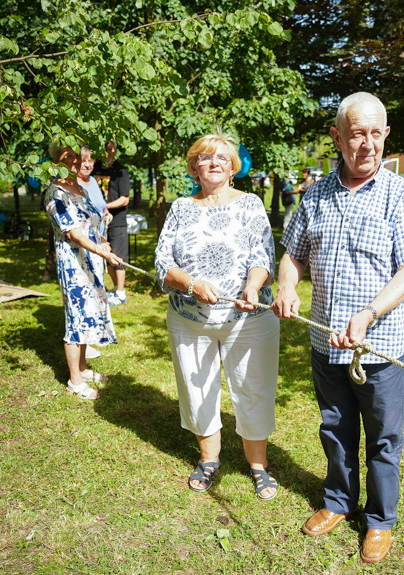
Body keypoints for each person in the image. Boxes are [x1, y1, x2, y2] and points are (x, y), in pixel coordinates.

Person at [272, 92, 404, 564]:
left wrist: (369, 314)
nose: (366, 144)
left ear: (386, 136)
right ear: (337, 137)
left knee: (383, 437)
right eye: (356, 133)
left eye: (375, 133)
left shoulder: (401, 195)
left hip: (379, 347)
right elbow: (293, 254)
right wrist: (286, 288)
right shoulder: (316, 194)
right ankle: (339, 503)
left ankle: (380, 520)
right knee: (335, 427)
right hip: (325, 341)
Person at [154, 132, 280, 501]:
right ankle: (209, 460)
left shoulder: (251, 203)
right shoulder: (180, 207)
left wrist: (253, 287)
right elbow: (163, 263)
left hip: (248, 320)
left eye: (222, 158)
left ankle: (259, 466)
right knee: (196, 391)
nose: (214, 163)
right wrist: (191, 283)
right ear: (194, 166)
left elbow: (263, 257)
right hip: (189, 320)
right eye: (206, 157)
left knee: (253, 390)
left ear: (233, 167)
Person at [43, 142, 122, 399]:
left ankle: (84, 367)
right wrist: (101, 251)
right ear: (57, 160)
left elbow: (92, 223)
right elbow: (73, 233)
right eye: (70, 157)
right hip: (74, 265)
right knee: (76, 319)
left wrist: (103, 242)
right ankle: (75, 381)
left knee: (90, 313)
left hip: (93, 262)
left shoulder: (81, 187)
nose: (76, 162)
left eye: (79, 157)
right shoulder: (55, 192)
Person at [93, 142, 132, 306]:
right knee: (106, 256)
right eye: (104, 149)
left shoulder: (121, 171)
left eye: (110, 149)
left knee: (118, 258)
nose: (107, 152)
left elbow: (125, 199)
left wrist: (105, 207)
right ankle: (116, 288)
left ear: (115, 150)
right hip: (97, 222)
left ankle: (121, 294)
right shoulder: (94, 168)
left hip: (117, 221)